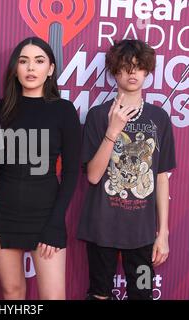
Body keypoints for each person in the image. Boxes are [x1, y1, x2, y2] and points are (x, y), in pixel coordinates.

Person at [77, 39, 176, 300]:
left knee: (142, 293)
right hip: (101, 229)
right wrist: (113, 130)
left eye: (138, 66)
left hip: (142, 234)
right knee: (99, 294)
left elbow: (161, 178)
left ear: (147, 71)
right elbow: (94, 175)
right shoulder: (98, 116)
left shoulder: (159, 119)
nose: (132, 73)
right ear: (114, 71)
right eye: (125, 66)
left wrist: (162, 233)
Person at [0, 37, 81, 300]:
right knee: (12, 292)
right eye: (24, 61)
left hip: (46, 216)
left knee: (53, 296)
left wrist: (56, 222)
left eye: (39, 61)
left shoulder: (63, 111)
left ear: (51, 69)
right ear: (15, 69)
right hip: (4, 216)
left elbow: (72, 172)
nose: (31, 68)